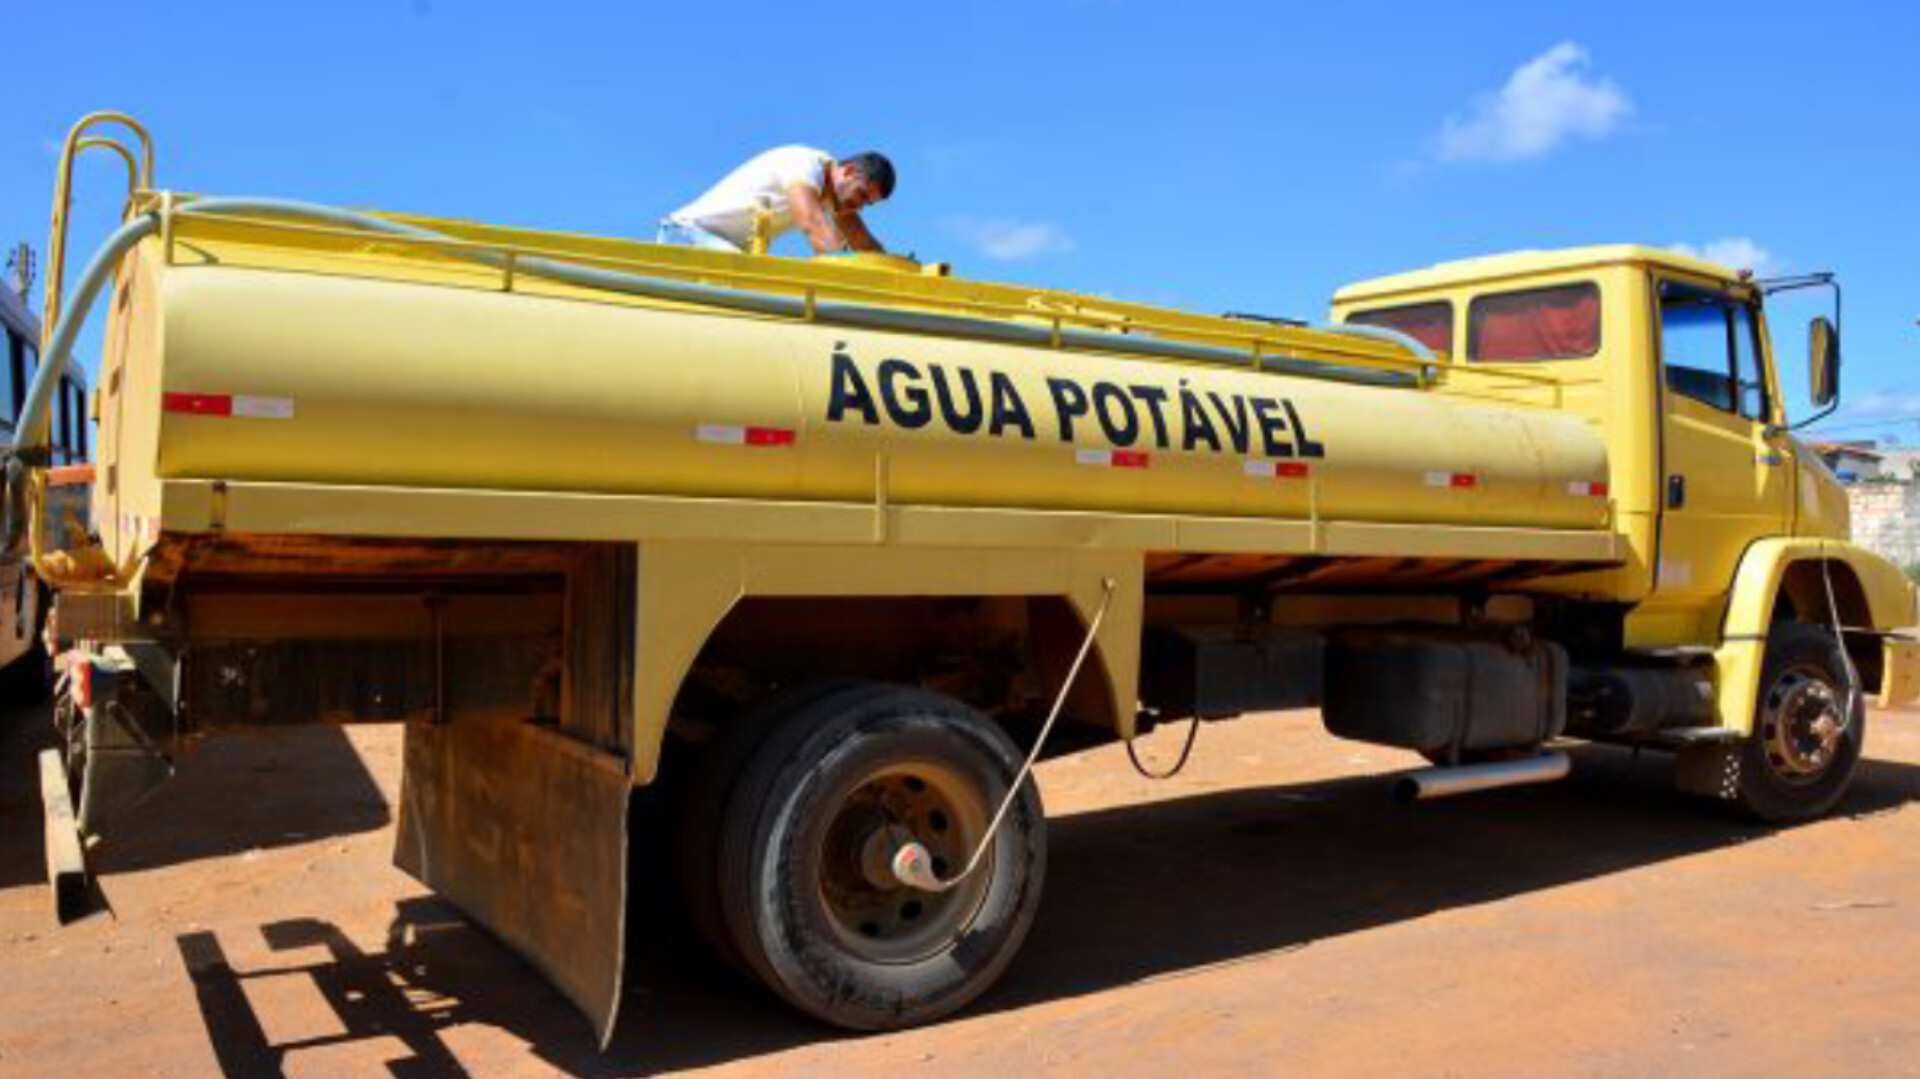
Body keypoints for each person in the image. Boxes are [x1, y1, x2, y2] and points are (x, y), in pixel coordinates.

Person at [658, 146, 895, 255]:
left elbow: (864, 244)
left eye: (868, 204)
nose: (860, 205)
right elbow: (813, 224)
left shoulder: (838, 197)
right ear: (849, 171)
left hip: (722, 247)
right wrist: (846, 269)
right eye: (862, 194)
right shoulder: (805, 164)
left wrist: (902, 273)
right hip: (687, 234)